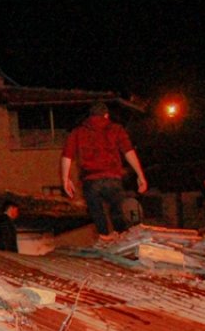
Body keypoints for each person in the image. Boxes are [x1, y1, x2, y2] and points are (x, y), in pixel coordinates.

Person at [60, 103, 148, 242]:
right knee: (117, 210)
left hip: (90, 179)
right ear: (106, 115)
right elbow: (128, 152)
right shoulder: (116, 129)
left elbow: (67, 156)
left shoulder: (78, 132)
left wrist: (65, 179)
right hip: (112, 177)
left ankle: (104, 236)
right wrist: (140, 175)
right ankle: (121, 237)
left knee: (96, 212)